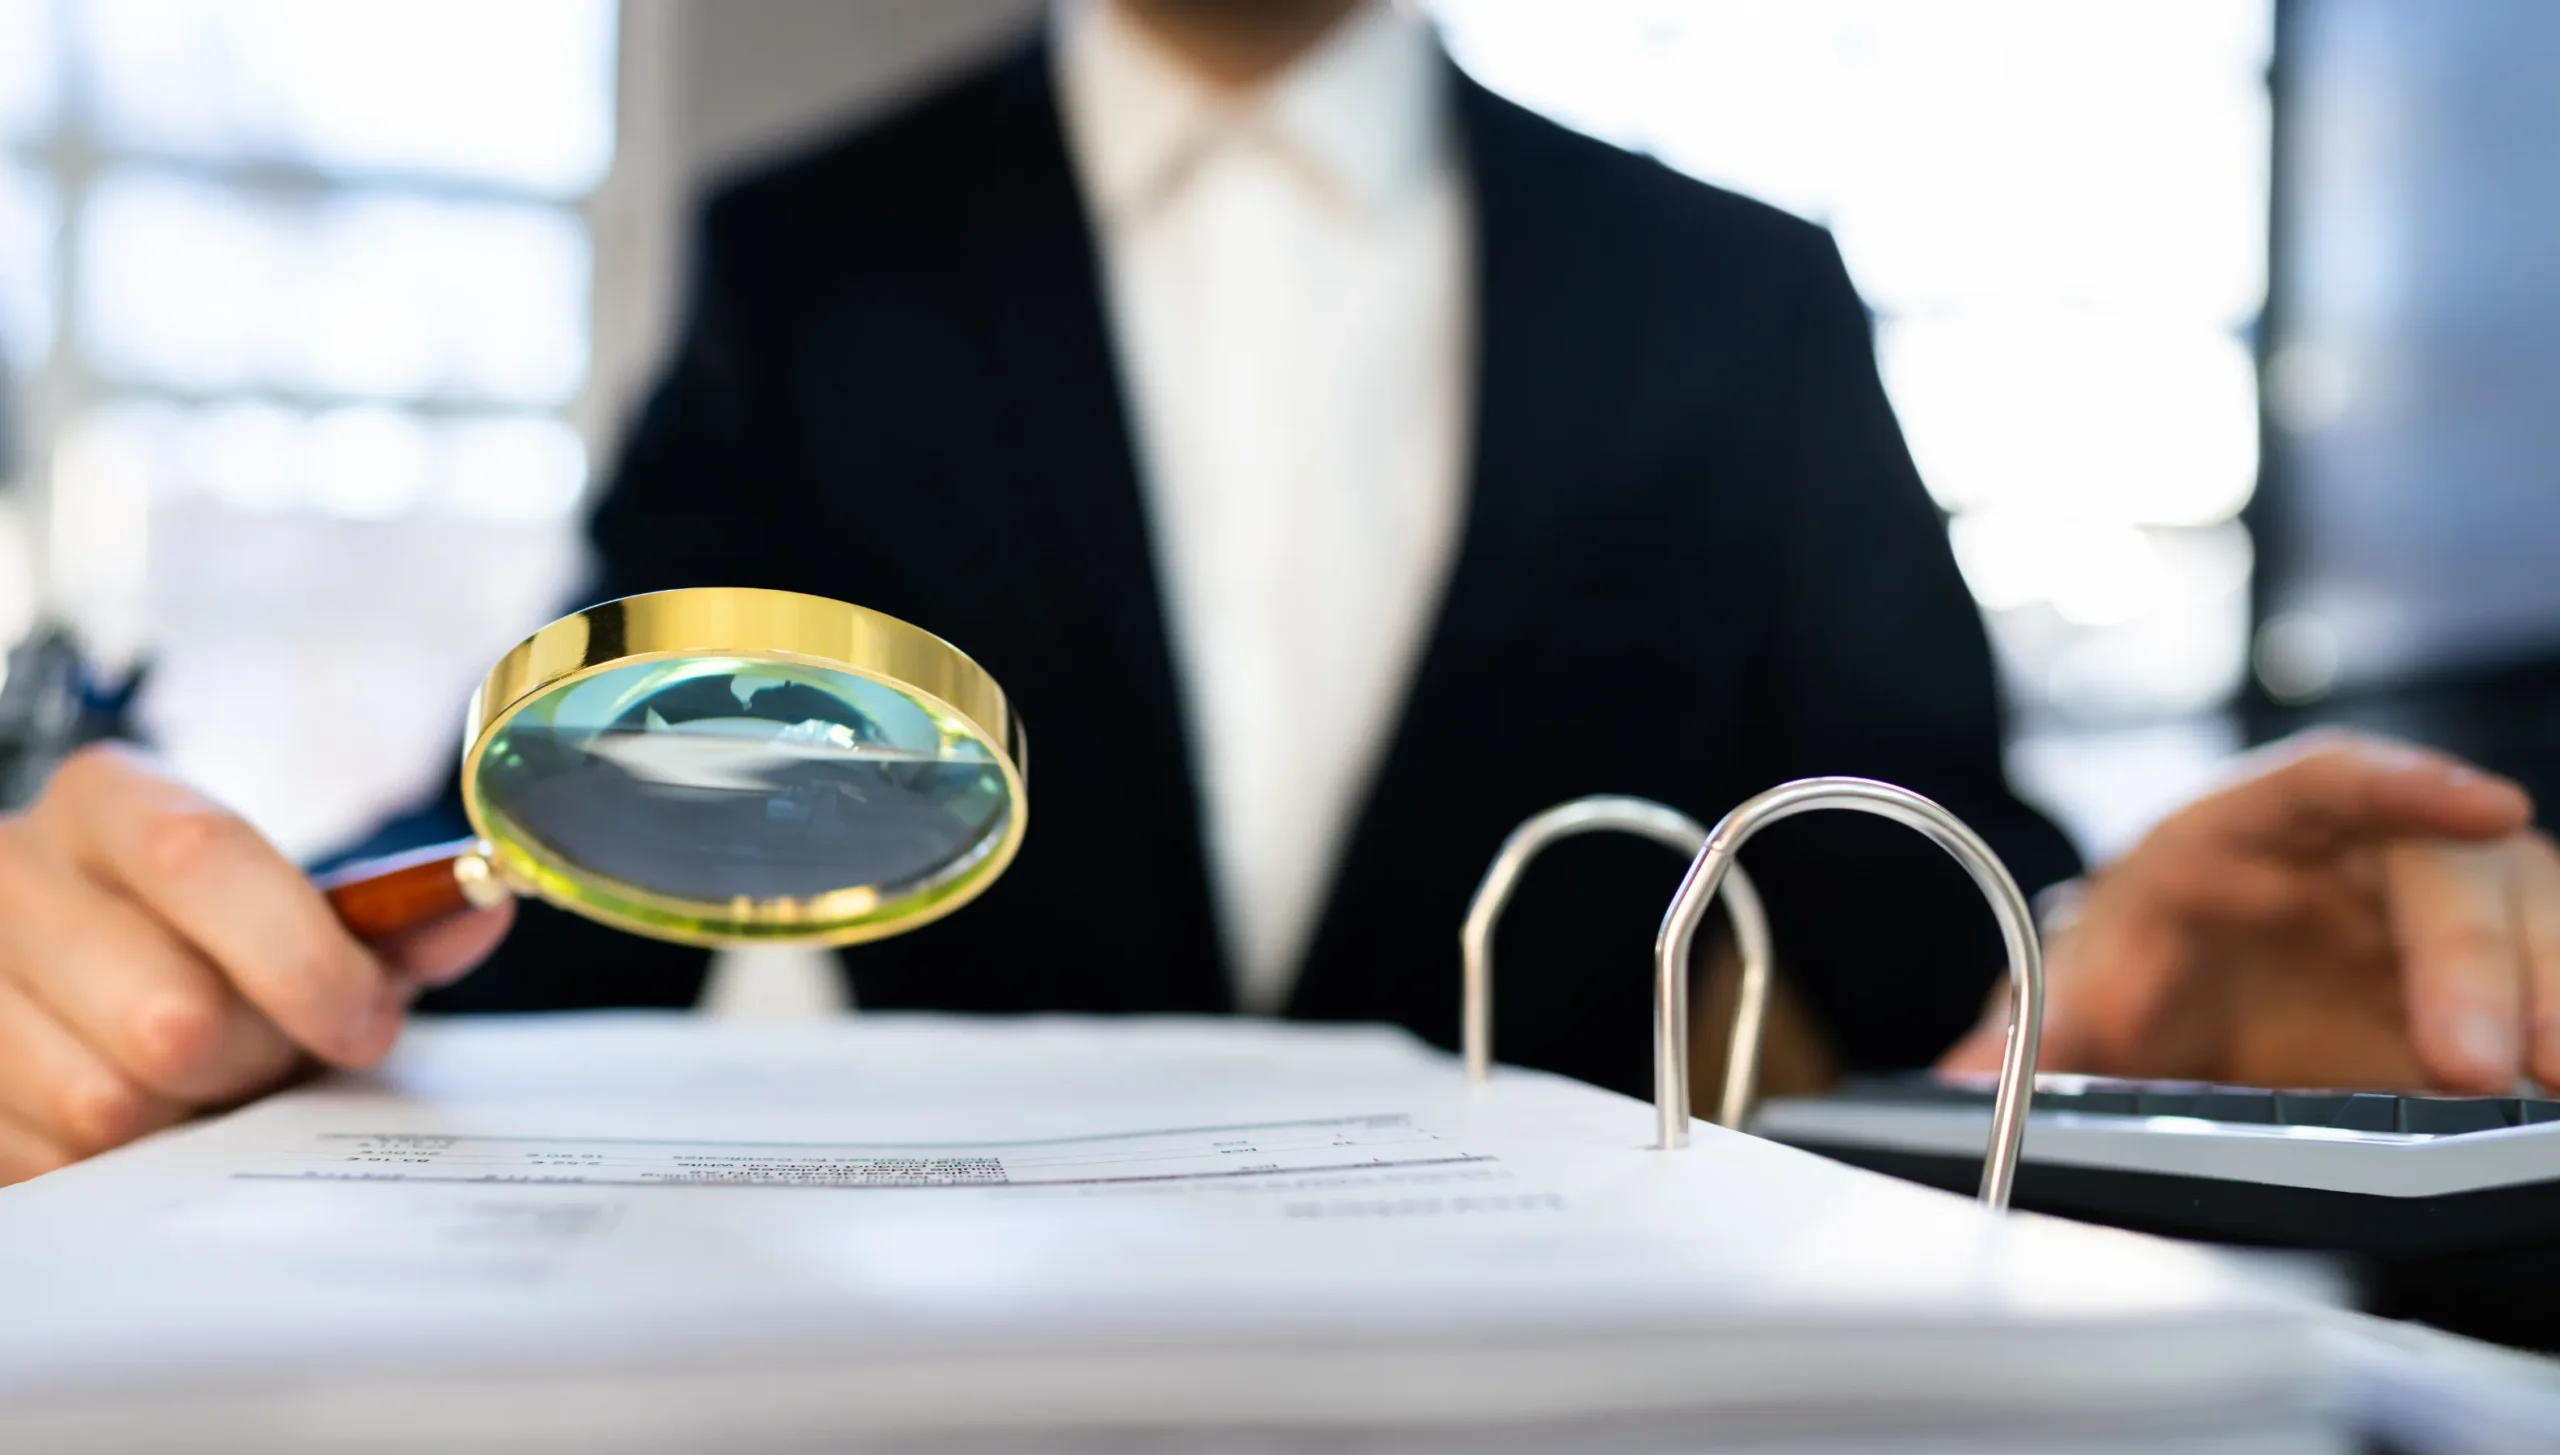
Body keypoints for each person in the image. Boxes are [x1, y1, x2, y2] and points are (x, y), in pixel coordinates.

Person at [1, 0, 2556, 1188]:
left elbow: (1906, 891)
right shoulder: (813, 268)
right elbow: (594, 853)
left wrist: (2120, 1009)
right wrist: (184, 957)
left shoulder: (1730, 294)